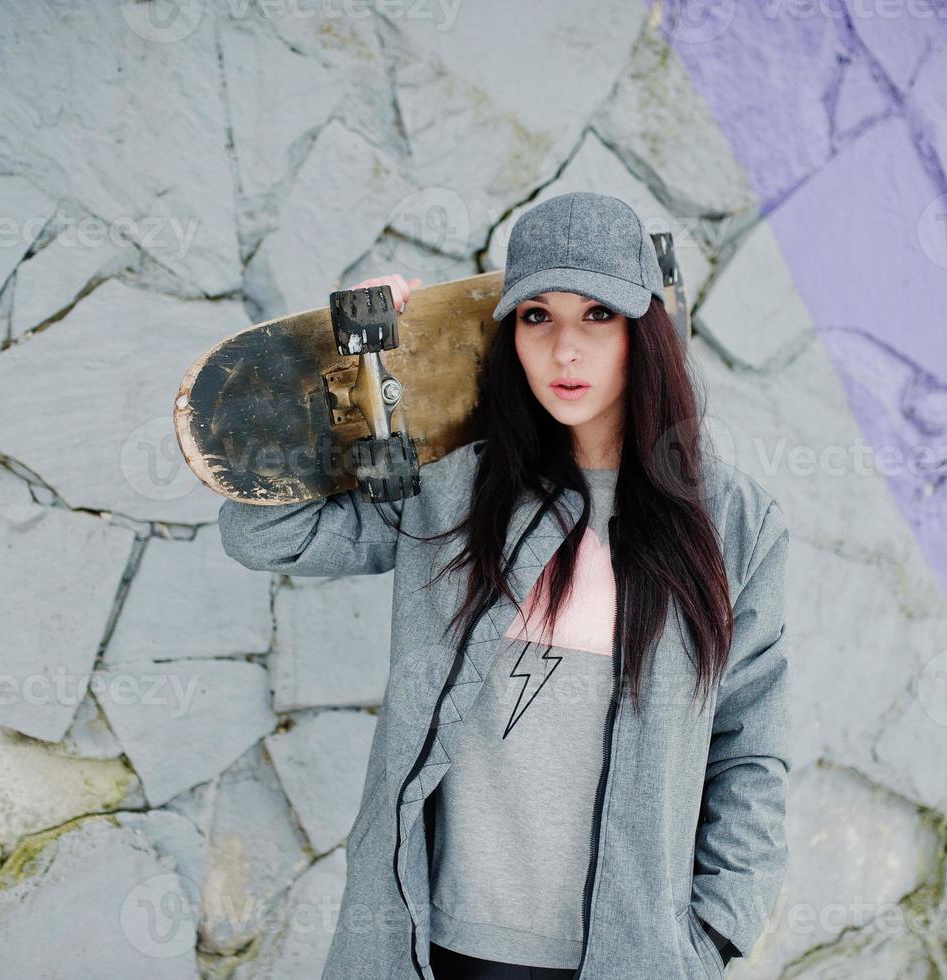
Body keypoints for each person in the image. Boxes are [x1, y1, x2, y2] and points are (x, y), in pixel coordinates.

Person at [219, 191, 791, 980]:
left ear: (644, 331)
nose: (565, 350)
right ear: (507, 334)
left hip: (626, 957)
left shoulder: (730, 521)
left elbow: (751, 749)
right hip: (435, 944)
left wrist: (716, 932)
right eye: (536, 317)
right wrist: (338, 356)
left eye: (598, 316)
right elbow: (262, 531)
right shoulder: (453, 491)